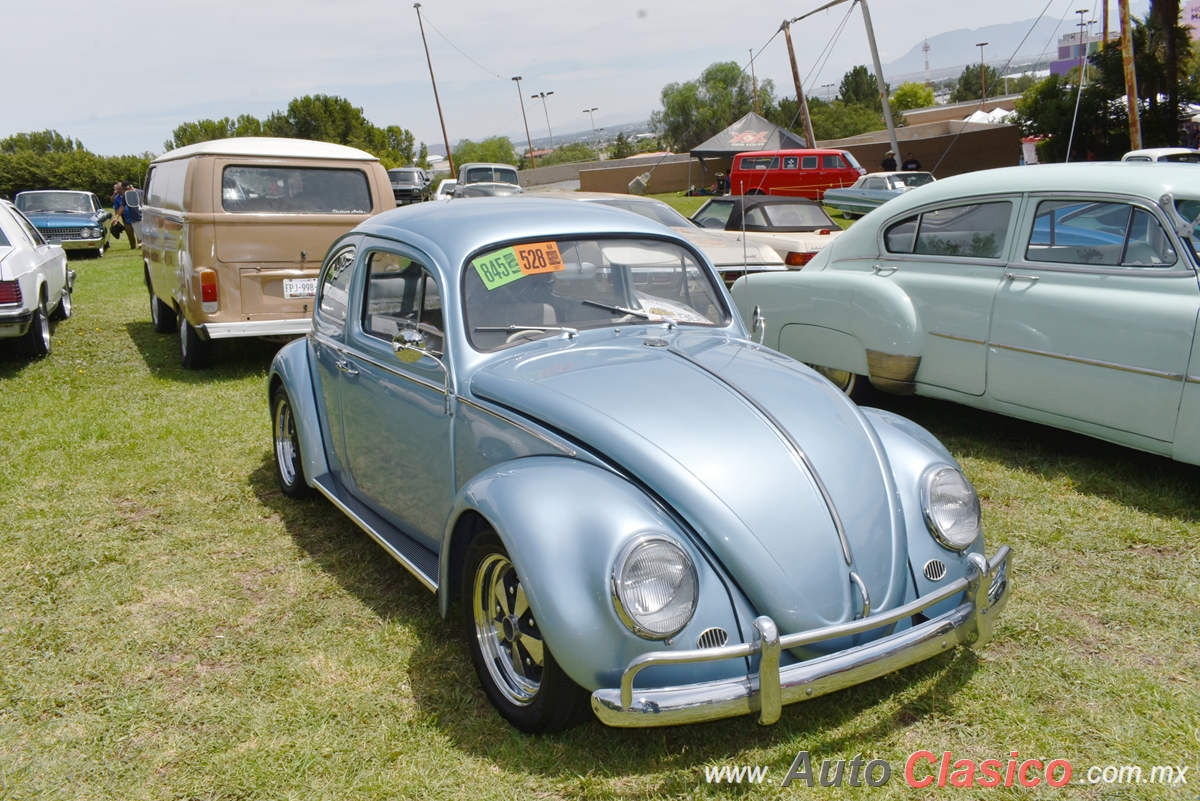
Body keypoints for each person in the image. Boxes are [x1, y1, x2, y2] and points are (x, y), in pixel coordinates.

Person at [112, 181, 142, 249]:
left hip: (143, 217)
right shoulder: (126, 195)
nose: (123, 191)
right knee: (139, 235)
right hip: (134, 218)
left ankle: (144, 248)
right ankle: (135, 246)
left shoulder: (141, 192)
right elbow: (122, 206)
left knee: (144, 235)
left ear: (129, 186)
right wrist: (116, 217)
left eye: (124, 189)